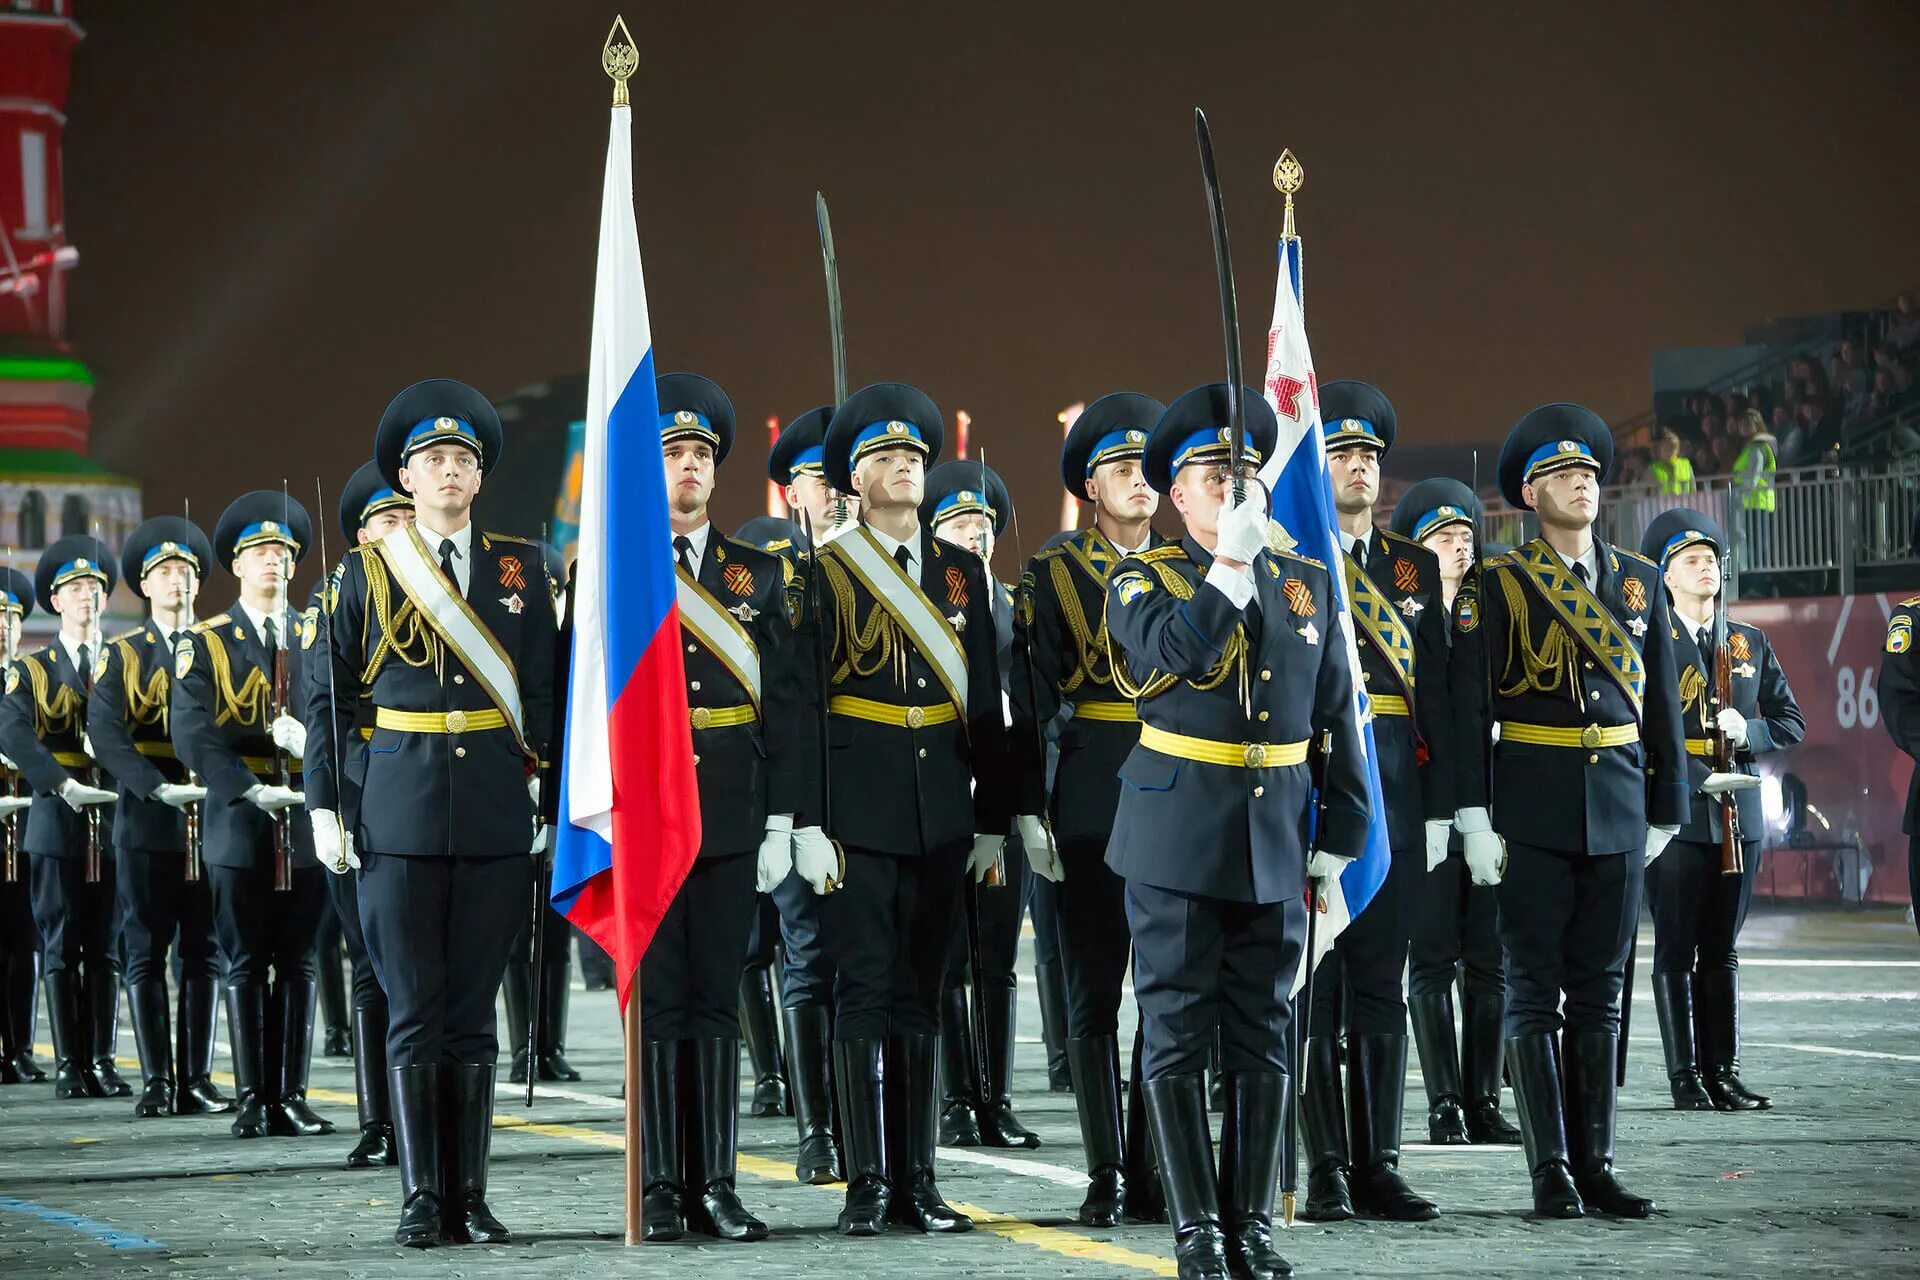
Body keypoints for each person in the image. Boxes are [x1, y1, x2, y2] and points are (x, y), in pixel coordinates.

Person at [1105, 383, 1369, 1280]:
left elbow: (1337, 711)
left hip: (1275, 838)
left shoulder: (1305, 583)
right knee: (1177, 1035)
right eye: (1215, 475)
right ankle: (1195, 1231)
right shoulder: (1140, 580)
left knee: (1265, 1032)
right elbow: (1173, 653)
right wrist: (1226, 569)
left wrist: (1343, 835)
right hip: (1176, 838)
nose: (1235, 487)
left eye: (1245, 473)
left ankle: (1249, 1224)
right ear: (1177, 497)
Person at [302, 378, 555, 1248]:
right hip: (397, 813)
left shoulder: (526, 566)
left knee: (474, 1011)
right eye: (432, 460)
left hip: (490, 810)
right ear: (406, 479)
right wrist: (328, 804)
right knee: (412, 1007)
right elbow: (329, 697)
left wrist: (551, 793)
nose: (448, 471)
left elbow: (548, 693)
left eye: (462, 460)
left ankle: (471, 1198)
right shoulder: (363, 573)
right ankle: (421, 1198)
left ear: (478, 478)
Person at [1450, 404, 1687, 1219]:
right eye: (1561, 474)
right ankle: (1549, 1167)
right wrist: (1473, 817)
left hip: (1620, 804)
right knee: (1533, 991)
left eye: (1588, 471)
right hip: (1533, 808)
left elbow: (1663, 712)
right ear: (1528, 492)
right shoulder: (1495, 584)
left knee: (1602, 994)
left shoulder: (1638, 582)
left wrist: (1668, 806)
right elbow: (1465, 707)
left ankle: (1600, 1165)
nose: (1581, 482)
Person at [813, 381, 1011, 1237]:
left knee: (923, 996)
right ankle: (867, 1183)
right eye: (884, 458)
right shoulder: (821, 574)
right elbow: (805, 704)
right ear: (854, 481)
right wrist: (806, 819)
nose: (904, 466)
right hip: (857, 810)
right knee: (862, 993)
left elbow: (986, 701)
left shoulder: (962, 573)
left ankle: (918, 1181)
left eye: (914, 457)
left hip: (941, 810)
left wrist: (999, 816)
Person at [635, 372, 808, 1245]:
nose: (690, 466)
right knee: (661, 1002)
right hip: (647, 814)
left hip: (732, 811)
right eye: (673, 453)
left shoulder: (758, 573)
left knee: (715, 1001)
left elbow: (784, 703)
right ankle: (662, 1184)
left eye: (702, 454)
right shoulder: (615, 572)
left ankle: (719, 1184)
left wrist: (781, 818)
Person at [1011, 391, 1170, 1227]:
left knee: (1167, 991)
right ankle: (1107, 1169)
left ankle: (1152, 1165)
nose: (1138, 482)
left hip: (1178, 792)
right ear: (1090, 487)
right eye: (1119, 470)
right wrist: (1030, 808)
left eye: (1148, 469)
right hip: (1090, 797)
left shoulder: (1188, 568)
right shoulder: (1053, 571)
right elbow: (1033, 696)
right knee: (1092, 990)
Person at [1297, 382, 1449, 1223]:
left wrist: (1449, 808)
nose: (1358, 468)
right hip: (1317, 793)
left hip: (1394, 792)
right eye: (1341, 455)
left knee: (1381, 988)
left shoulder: (1411, 567)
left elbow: (1444, 701)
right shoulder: (1296, 559)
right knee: (1317, 982)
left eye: (1368, 457)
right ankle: (1325, 1167)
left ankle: (1379, 1163)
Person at [171, 494, 331, 1141]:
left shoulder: (313, 635)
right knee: (243, 960)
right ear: (236, 565)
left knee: (300, 963)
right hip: (240, 823)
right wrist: (244, 787)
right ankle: (251, 1097)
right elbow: (191, 733)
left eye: (284, 554)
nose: (273, 562)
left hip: (305, 824)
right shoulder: (205, 641)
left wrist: (310, 750)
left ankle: (289, 1093)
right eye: (261, 553)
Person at [1638, 508, 1802, 1113]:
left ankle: (1723, 1071)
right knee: (1677, 947)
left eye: (1711, 559)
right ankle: (1686, 1076)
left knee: (1722, 947)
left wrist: (1752, 730)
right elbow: (1641, 727)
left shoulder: (1747, 642)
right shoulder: (1651, 644)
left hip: (1739, 817)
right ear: (1666, 578)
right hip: (1679, 814)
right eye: (1690, 561)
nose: (1705, 567)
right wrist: (1697, 774)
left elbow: (1791, 720)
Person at [921, 457, 1055, 1153]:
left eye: (982, 525)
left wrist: (1028, 806)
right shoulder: (923, 602)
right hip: (943, 793)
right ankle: (954, 1099)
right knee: (947, 957)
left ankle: (997, 1096)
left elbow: (1030, 711)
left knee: (998, 958)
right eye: (957, 524)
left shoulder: (1014, 605)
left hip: (1002, 797)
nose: (973, 535)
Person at [1388, 478, 1520, 1149]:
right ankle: (1445, 1103)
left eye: (1467, 537)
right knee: (1434, 956)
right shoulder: (1403, 618)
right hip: (1427, 808)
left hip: (1490, 807)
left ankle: (1484, 1100)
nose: (1461, 549)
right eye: (1445, 539)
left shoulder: (1491, 613)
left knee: (1488, 957)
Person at [89, 517, 225, 1119]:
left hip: (211, 817)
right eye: (166, 573)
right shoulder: (121, 655)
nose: (178, 583)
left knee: (205, 951)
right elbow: (106, 734)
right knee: (145, 951)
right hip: (148, 820)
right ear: (145, 586)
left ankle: (196, 1077)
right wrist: (151, 788)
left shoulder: (220, 645)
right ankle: (157, 1081)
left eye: (187, 573)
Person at [312, 461, 414, 1168]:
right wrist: (329, 807)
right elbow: (324, 707)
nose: (400, 529)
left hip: (426, 789)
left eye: (407, 517)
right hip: (362, 787)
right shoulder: (344, 594)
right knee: (372, 966)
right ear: (360, 537)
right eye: (387, 521)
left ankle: (421, 1118)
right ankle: (378, 1121)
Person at [0, 537, 124, 1100]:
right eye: (76, 589)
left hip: (115, 814)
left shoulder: (124, 660)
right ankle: (70, 1063)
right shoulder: (32, 669)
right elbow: (15, 733)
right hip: (57, 816)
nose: (88, 597)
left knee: (105, 943)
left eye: (96, 588)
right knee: (59, 940)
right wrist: (62, 781)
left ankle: (102, 1058)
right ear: (55, 599)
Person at [0, 567, 45, 1087]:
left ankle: (20, 1048)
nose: (5, 627)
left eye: (12, 617)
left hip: (25, 822)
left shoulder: (34, 678)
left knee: (25, 939)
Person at [1647, 429, 1694, 496]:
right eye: (1665, 448)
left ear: (1677, 450)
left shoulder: (1686, 464)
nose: (1669, 452)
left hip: (1684, 504)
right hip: (1663, 505)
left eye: (1672, 448)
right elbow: (1650, 494)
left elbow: (1693, 489)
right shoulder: (1653, 469)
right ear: (1660, 450)